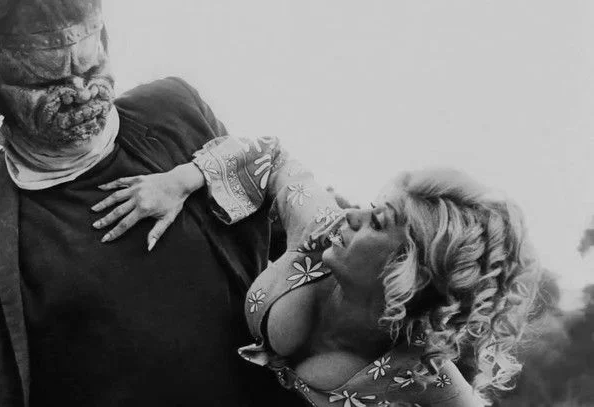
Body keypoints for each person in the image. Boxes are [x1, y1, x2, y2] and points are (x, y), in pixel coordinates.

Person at [0, 0, 304, 406]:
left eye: (92, 68)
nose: (80, 91)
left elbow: (291, 239)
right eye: (49, 81)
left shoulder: (174, 112)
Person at [92, 136, 540, 406]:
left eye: (377, 223)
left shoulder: (422, 372)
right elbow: (273, 157)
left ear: (409, 272)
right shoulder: (322, 230)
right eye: (372, 206)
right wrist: (178, 181)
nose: (353, 215)